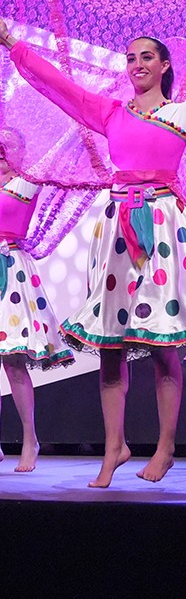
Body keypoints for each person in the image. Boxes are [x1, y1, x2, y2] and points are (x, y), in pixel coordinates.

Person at [0, 20, 186, 487]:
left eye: (146, 57)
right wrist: (12, 43)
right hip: (117, 229)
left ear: (164, 66)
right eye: (131, 58)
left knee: (164, 347)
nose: (137, 64)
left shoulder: (183, 114)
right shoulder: (110, 114)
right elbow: (58, 85)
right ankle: (114, 448)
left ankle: (164, 448)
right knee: (110, 347)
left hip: (163, 228)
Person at [0, 127, 73, 471]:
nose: (2, 151)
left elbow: (61, 150)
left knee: (14, 362)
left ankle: (30, 438)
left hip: (12, 270)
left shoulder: (26, 182)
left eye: (8, 147)